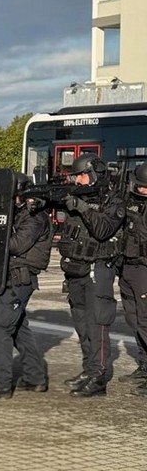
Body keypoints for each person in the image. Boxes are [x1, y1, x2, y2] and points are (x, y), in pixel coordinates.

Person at [0, 173, 52, 400]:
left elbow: (16, 246)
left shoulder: (34, 217)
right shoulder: (20, 214)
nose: (11, 200)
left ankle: (0, 385)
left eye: (14, 196)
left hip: (19, 280)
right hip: (11, 278)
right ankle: (35, 378)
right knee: (19, 330)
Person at [58, 152, 125, 398]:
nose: (77, 181)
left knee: (98, 323)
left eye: (81, 176)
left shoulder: (113, 201)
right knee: (81, 321)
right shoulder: (77, 195)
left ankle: (99, 377)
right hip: (77, 268)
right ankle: (89, 368)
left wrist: (82, 207)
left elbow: (103, 229)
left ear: (94, 174)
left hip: (99, 267)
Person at [118, 161, 147, 395]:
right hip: (128, 267)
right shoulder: (131, 204)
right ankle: (144, 365)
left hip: (145, 270)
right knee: (133, 319)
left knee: (146, 321)